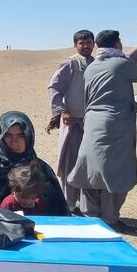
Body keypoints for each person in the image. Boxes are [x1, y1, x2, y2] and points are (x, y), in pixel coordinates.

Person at [67, 30, 137, 233]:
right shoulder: (122, 65)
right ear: (117, 44)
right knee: (116, 173)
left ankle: (91, 218)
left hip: (92, 125)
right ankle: (111, 219)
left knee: (90, 172)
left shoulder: (93, 67)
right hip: (116, 128)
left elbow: (121, 67)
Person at [0, 111, 68, 215]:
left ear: (29, 136)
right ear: (1, 136)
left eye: (20, 135)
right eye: (8, 135)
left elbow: (58, 212)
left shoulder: (41, 169)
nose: (14, 141)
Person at [47, 29, 95, 211]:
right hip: (73, 123)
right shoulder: (70, 64)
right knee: (71, 165)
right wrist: (62, 111)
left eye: (89, 42)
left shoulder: (96, 64)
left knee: (89, 166)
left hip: (91, 124)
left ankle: (86, 207)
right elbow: (54, 88)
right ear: (75, 45)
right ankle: (68, 207)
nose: (86, 46)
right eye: (82, 43)